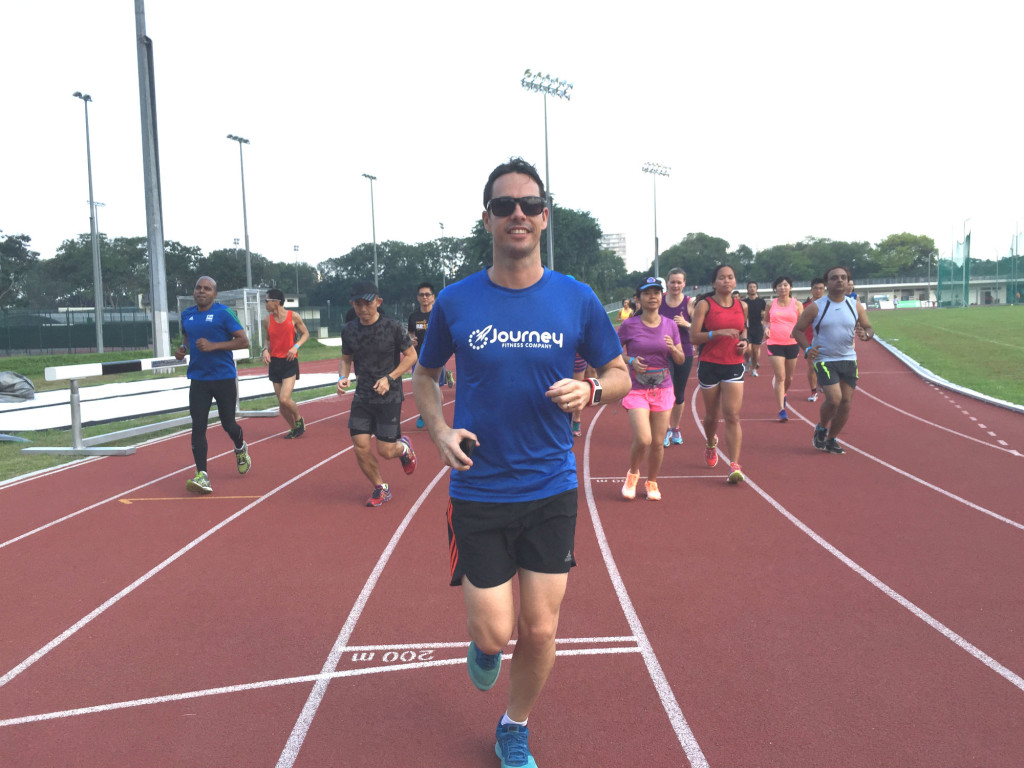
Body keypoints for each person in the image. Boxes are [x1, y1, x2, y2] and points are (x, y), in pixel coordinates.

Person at [411, 157, 629, 768]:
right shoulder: (456, 301)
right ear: (487, 219)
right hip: (479, 489)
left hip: (550, 487)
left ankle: (514, 726)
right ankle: (481, 648)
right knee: (492, 634)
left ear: (544, 217)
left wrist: (591, 391)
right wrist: (438, 429)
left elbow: (619, 371)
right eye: (504, 205)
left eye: (529, 205)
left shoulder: (576, 299)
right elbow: (425, 378)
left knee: (538, 631)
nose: (517, 215)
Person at [338, 280, 419, 506]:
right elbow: (345, 360)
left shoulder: (393, 328)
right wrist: (342, 377)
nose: (363, 309)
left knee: (385, 450)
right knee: (360, 445)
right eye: (357, 304)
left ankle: (404, 448)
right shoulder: (349, 330)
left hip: (389, 396)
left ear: (378, 302)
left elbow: (412, 357)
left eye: (367, 303)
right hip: (363, 396)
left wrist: (389, 378)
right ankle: (380, 487)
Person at [174, 275, 252, 494]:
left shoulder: (223, 313)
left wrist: (214, 345)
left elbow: (243, 341)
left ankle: (240, 447)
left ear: (214, 294)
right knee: (198, 426)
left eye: (207, 288)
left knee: (229, 424)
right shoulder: (187, 315)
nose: (201, 291)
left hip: (223, 377)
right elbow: (186, 337)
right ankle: (202, 475)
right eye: (198, 287)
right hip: (198, 379)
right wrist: (182, 349)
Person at [792, 265, 875, 455]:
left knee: (846, 403)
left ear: (848, 282)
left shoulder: (855, 305)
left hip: (848, 359)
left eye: (843, 277)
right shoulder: (816, 307)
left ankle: (831, 439)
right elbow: (797, 330)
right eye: (834, 278)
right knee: (834, 399)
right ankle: (822, 427)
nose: (839, 280)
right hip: (825, 359)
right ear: (827, 283)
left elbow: (869, 327)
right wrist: (807, 349)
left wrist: (866, 335)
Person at [619, 276, 685, 500]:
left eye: (656, 292)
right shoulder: (629, 325)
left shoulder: (670, 325)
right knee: (644, 438)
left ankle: (652, 482)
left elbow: (681, 359)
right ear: (638, 299)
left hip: (663, 387)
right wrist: (630, 361)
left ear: (661, 296)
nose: (653, 297)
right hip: (636, 388)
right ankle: (633, 473)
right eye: (647, 293)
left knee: (658, 443)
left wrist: (673, 350)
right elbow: (614, 352)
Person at [690, 264, 748, 484]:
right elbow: (694, 337)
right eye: (722, 278)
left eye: (731, 277)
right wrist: (717, 333)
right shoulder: (705, 305)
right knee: (712, 416)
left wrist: (744, 341)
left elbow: (744, 329)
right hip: (709, 364)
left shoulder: (742, 306)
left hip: (733, 363)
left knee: (732, 415)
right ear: (714, 282)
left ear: (735, 281)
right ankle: (710, 443)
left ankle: (734, 464)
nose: (726, 281)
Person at [261, 288, 310, 438]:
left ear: (276, 302)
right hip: (275, 363)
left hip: (289, 361)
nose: (265, 304)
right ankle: (295, 428)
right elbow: (268, 339)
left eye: (266, 301)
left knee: (284, 398)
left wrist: (295, 347)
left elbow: (306, 333)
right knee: (282, 405)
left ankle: (299, 419)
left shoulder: (293, 316)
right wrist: (265, 350)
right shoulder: (267, 320)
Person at [407, 282, 454, 428]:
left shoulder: (439, 313)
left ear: (433, 297)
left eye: (427, 294)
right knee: (420, 387)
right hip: (418, 356)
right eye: (421, 295)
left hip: (436, 355)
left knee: (435, 388)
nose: (424, 297)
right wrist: (410, 340)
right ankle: (425, 412)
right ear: (418, 297)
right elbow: (410, 334)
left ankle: (436, 417)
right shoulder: (414, 316)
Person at [659, 267, 696, 447]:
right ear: (667, 283)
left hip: (684, 351)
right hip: (663, 352)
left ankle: (676, 428)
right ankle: (665, 429)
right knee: (666, 391)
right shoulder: (660, 302)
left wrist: (685, 323)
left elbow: (698, 330)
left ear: (684, 284)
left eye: (679, 282)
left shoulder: (689, 303)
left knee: (679, 393)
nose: (675, 285)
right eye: (672, 281)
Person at [763, 276, 803, 421]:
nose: (782, 288)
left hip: (792, 343)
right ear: (775, 288)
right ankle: (781, 409)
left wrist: (797, 332)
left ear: (790, 287)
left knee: (789, 377)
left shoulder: (797, 304)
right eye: (779, 285)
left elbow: (802, 323)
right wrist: (766, 329)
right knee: (780, 377)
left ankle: (783, 393)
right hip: (774, 343)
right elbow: (766, 321)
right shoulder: (770, 304)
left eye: (785, 285)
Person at [803, 277, 826, 401]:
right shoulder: (805, 306)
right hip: (810, 341)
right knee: (812, 367)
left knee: (826, 365)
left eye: (821, 288)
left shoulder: (829, 305)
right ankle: (813, 391)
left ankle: (822, 382)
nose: (818, 291)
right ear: (811, 290)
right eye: (816, 288)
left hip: (827, 341)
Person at [742, 281, 766, 377]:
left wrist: (763, 318)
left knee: (756, 351)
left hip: (758, 328)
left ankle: (754, 369)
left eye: (754, 287)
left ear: (757, 289)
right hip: (747, 328)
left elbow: (765, 314)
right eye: (750, 287)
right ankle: (747, 362)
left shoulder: (761, 301)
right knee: (748, 350)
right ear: (747, 289)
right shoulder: (744, 302)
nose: (752, 288)